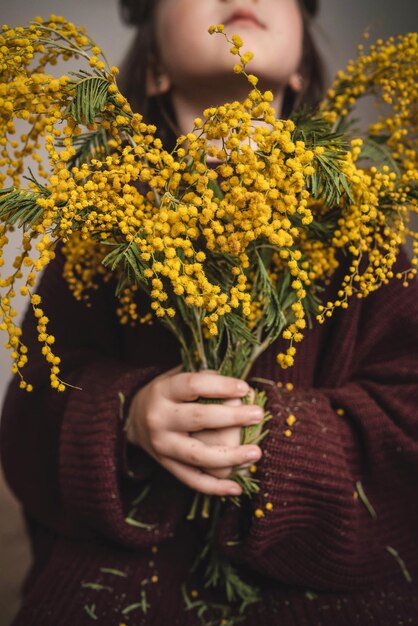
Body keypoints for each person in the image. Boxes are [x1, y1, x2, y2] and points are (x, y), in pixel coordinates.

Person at [1, 1, 418, 625]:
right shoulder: (100, 236)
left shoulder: (364, 235)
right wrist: (126, 417)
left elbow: (407, 430)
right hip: (114, 591)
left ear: (301, 69)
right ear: (154, 73)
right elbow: (32, 415)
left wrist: (270, 436)